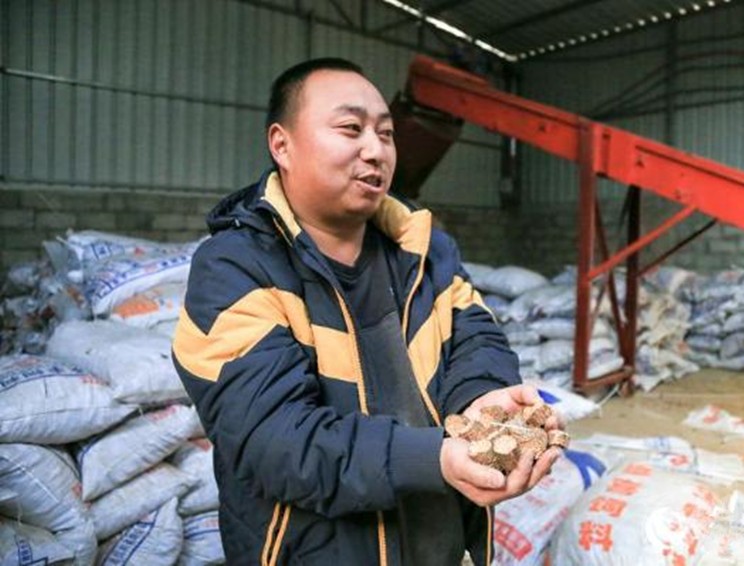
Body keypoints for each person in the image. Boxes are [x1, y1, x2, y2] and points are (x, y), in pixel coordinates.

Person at [172, 57, 560, 565]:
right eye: (351, 129)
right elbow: (274, 440)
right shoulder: (234, 270)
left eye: (386, 133)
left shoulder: (426, 252)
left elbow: (476, 339)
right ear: (281, 145)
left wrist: (484, 404)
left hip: (436, 545)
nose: (376, 150)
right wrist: (435, 458)